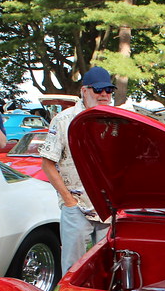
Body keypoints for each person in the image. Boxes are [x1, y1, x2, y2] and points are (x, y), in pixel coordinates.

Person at [39, 66, 116, 272]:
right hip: (77, 205)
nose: (104, 95)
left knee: (107, 267)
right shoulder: (64, 121)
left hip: (108, 209)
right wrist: (69, 201)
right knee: (73, 269)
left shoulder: (115, 121)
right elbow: (47, 164)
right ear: (84, 91)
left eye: (108, 90)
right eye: (98, 90)